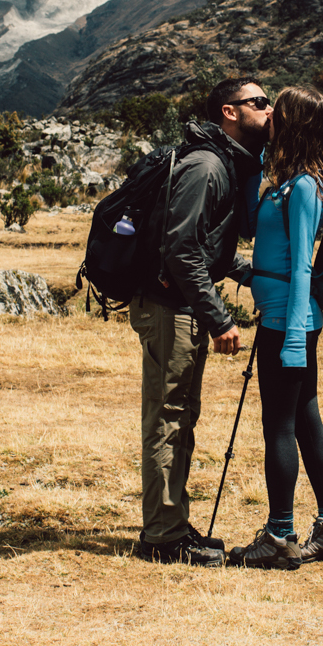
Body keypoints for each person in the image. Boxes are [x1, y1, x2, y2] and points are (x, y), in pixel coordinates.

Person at [131, 77, 271, 567]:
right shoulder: (207, 166)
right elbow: (180, 247)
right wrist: (219, 318)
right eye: (259, 102)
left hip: (183, 305)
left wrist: (252, 275)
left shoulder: (226, 164)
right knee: (168, 417)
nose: (269, 109)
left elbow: (210, 246)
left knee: (181, 416)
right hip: (171, 307)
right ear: (229, 113)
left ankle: (172, 525)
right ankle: (162, 539)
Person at [229, 85, 323, 570]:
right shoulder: (285, 182)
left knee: (279, 424)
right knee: (304, 419)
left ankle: (280, 535)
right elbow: (250, 227)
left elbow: (302, 265)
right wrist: (256, 163)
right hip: (288, 317)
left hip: (290, 321)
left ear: (293, 125)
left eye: (276, 115)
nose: (269, 120)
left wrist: (292, 342)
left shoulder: (305, 187)